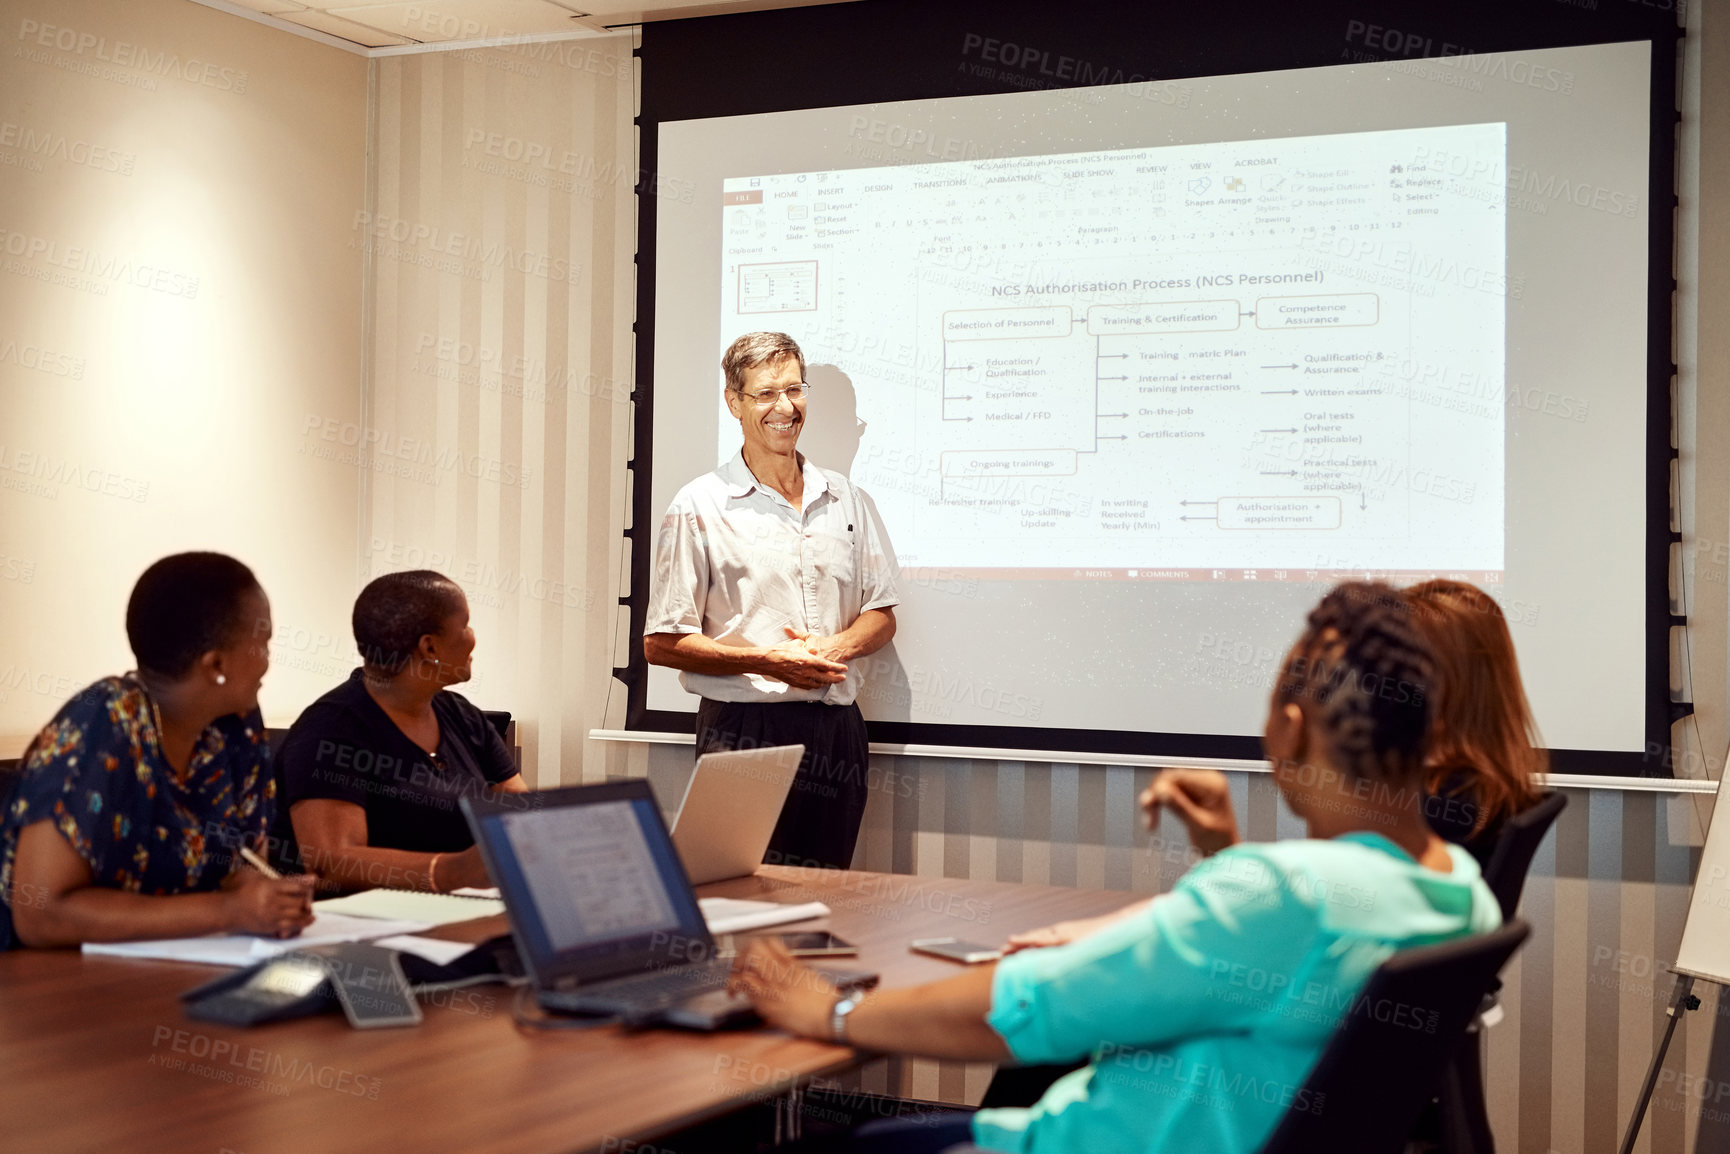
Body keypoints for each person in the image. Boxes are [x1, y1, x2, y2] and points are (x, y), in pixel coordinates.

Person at [730, 582, 1501, 1154]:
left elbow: (1026, 1011)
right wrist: (1224, 868)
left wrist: (829, 1013)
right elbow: (1287, 957)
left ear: (1292, 729)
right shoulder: (1458, 890)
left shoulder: (1282, 894)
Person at [645, 331, 899, 870]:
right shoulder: (698, 504)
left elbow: (881, 615)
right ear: (734, 402)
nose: (785, 408)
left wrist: (833, 648)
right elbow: (661, 643)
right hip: (744, 732)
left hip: (838, 733)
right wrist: (766, 661)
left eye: (794, 390)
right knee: (738, 897)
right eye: (765, 394)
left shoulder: (847, 498)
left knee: (828, 898)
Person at [0, 553, 316, 950]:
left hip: (177, 964)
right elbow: (41, 914)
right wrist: (229, 912)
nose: (268, 662)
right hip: (49, 986)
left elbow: (243, 866)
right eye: (264, 643)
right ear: (215, 664)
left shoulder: (236, 727)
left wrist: (272, 899)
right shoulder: (102, 726)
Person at [274, 570, 527, 894]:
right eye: (464, 624)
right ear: (429, 647)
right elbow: (331, 864)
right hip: (366, 928)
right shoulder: (329, 730)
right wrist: (451, 872)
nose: (472, 636)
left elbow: (522, 815)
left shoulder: (463, 716)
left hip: (458, 912)